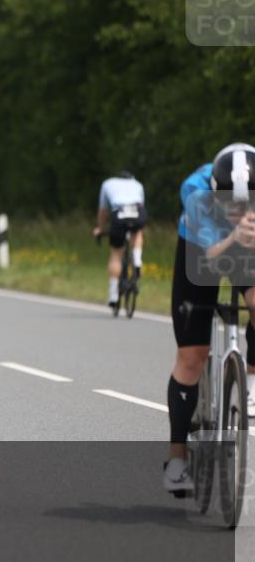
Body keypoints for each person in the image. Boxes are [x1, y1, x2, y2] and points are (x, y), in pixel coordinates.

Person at [164, 142, 255, 495]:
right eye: (228, 206)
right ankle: (177, 460)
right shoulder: (197, 192)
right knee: (191, 355)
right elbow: (212, 257)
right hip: (201, 249)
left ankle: (250, 380)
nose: (236, 211)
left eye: (244, 206)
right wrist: (235, 232)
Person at [92, 171, 146, 309]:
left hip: (119, 213)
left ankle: (113, 295)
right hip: (137, 211)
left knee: (116, 253)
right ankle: (137, 259)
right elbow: (141, 204)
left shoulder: (107, 183)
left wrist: (99, 227)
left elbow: (103, 210)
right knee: (137, 232)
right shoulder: (138, 184)